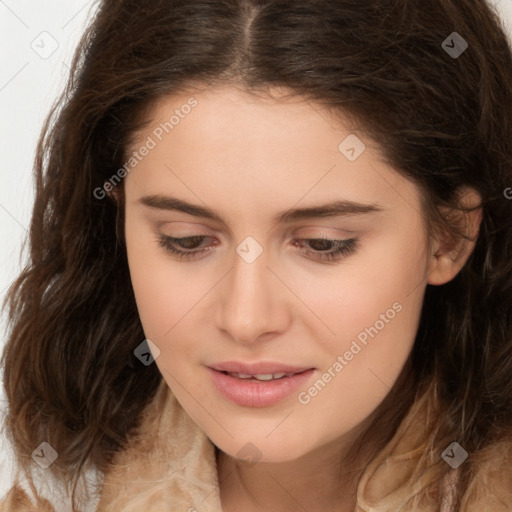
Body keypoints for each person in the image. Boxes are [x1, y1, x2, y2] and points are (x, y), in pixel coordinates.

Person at [1, 0, 512, 510]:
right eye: (185, 239)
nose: (246, 320)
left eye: (322, 245)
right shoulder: (40, 490)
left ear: (448, 237)